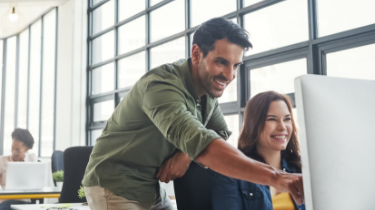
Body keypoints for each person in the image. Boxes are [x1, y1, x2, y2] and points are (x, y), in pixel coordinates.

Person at [82, 17, 304, 210]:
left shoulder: (206, 94)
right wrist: (277, 178)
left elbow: (219, 131)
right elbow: (202, 142)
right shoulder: (162, 86)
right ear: (197, 53)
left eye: (236, 65)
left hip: (149, 188)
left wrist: (185, 156)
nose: (229, 75)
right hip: (113, 184)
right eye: (221, 62)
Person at [211, 91, 305, 210]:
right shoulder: (230, 174)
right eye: (272, 119)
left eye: (287, 119)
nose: (282, 127)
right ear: (253, 124)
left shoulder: (302, 168)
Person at [0, 128, 37, 210]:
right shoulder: (2, 160)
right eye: (12, 149)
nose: (13, 153)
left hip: (25, 202)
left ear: (26, 149)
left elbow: (36, 183)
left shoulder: (31, 159)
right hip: (5, 202)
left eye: (17, 150)